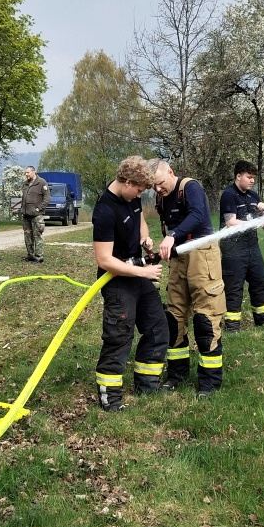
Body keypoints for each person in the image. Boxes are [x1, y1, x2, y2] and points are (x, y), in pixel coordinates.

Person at [92, 156, 167, 411]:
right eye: (139, 189)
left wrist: (145, 239)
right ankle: (110, 398)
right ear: (126, 182)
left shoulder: (132, 198)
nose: (140, 195)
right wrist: (144, 273)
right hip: (117, 281)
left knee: (157, 327)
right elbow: (104, 260)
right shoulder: (105, 210)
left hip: (137, 273)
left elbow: (140, 221)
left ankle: (148, 386)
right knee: (119, 337)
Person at [149, 158, 226, 395]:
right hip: (178, 259)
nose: (158, 189)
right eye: (153, 186)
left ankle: (210, 381)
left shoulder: (190, 187)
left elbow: (198, 215)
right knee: (174, 319)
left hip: (202, 255)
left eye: (160, 183)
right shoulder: (161, 197)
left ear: (170, 172)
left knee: (205, 319)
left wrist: (173, 235)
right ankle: (177, 374)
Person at [219, 159, 264, 331]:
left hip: (252, 247)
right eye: (249, 177)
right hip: (233, 249)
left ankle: (263, 322)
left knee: (260, 282)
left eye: (253, 177)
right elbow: (231, 222)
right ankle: (232, 326)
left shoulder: (253, 196)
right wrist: (255, 223)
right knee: (234, 288)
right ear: (238, 176)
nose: (252, 180)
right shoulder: (229, 195)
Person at [20, 165, 49, 263]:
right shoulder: (25, 184)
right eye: (25, 173)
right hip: (26, 215)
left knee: (37, 235)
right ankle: (30, 255)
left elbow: (47, 199)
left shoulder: (41, 182)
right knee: (27, 236)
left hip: (36, 216)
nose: (26, 174)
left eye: (28, 172)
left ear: (33, 172)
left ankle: (39, 256)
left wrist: (39, 209)